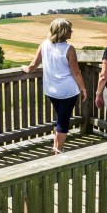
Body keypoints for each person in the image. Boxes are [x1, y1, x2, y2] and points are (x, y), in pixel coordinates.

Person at [23, 18, 87, 154]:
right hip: (67, 91)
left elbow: (33, 65)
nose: (72, 32)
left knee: (60, 117)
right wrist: (83, 89)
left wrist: (25, 69)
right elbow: (76, 73)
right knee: (63, 121)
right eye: (70, 30)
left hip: (51, 90)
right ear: (63, 32)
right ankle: (59, 150)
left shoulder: (44, 45)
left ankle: (55, 145)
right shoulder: (69, 49)